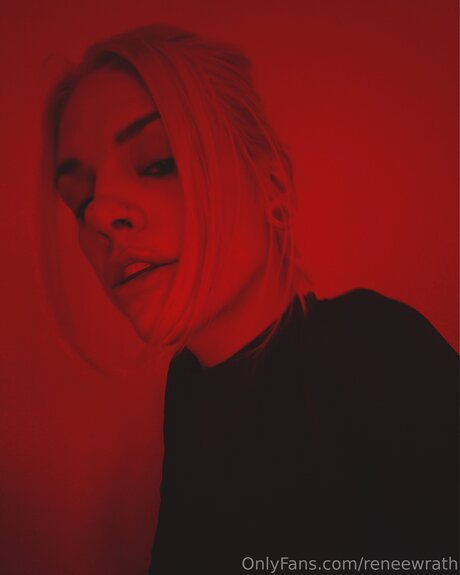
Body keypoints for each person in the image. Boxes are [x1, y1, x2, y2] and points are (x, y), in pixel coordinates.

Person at [42, 24, 458, 575]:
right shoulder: (187, 383)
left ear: (272, 184)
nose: (98, 214)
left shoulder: (375, 346)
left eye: (159, 161)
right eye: (80, 199)